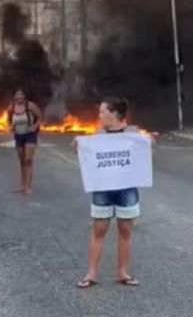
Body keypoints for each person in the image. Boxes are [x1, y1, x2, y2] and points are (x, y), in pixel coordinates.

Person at [75, 97, 148, 289]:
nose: (99, 116)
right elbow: (87, 155)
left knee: (125, 231)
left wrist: (148, 142)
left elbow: (149, 149)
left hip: (127, 188)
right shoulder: (98, 134)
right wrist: (78, 145)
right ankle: (91, 274)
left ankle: (122, 271)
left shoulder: (133, 133)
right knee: (99, 230)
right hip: (103, 188)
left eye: (102, 112)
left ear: (114, 114)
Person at [7, 89, 43, 194]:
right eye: (17, 95)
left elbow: (39, 116)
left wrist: (35, 126)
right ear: (14, 97)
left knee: (28, 160)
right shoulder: (11, 108)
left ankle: (28, 187)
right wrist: (10, 127)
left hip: (30, 135)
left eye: (21, 95)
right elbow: (9, 119)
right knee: (22, 162)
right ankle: (23, 186)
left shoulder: (30, 106)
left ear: (24, 96)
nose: (19, 97)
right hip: (18, 135)